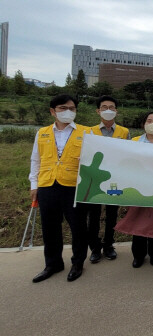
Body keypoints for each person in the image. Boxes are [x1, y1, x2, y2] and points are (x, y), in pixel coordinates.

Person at [29, 94, 89, 283]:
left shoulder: (87, 132)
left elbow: (97, 158)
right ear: (53, 111)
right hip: (47, 185)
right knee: (50, 227)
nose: (68, 112)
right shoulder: (43, 132)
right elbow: (35, 159)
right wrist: (34, 184)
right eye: (63, 108)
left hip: (74, 186)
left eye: (72, 108)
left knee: (78, 227)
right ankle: (53, 264)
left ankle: (78, 263)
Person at [114, 112, 153, 267]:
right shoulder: (134, 141)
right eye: (149, 120)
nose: (152, 123)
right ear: (143, 124)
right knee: (137, 220)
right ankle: (138, 255)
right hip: (137, 188)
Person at [85, 95, 130, 264]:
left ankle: (109, 245)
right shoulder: (88, 131)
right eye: (104, 107)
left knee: (112, 214)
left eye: (111, 107)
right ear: (98, 111)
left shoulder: (124, 132)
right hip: (94, 179)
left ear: (116, 111)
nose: (108, 110)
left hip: (115, 179)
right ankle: (95, 248)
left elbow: (128, 154)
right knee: (94, 215)